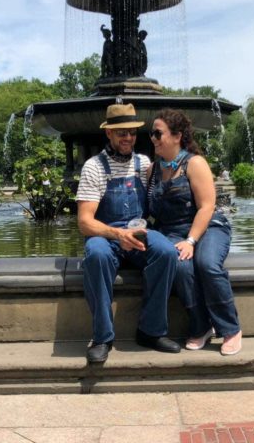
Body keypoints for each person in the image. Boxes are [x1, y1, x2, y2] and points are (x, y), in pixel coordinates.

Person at [76, 103, 181, 364]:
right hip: (106, 236)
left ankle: (151, 331)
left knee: (166, 252)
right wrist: (117, 234)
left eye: (132, 133)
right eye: (121, 132)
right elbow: (85, 223)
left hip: (139, 233)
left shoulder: (144, 163)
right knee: (96, 255)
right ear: (108, 134)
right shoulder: (94, 167)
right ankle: (102, 337)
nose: (128, 138)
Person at [147, 108, 242, 356]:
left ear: (177, 136)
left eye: (158, 133)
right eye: (152, 134)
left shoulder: (194, 163)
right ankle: (201, 326)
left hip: (208, 225)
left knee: (207, 263)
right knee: (179, 266)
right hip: (172, 231)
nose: (153, 139)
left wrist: (191, 240)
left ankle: (230, 328)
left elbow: (207, 206)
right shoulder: (152, 170)